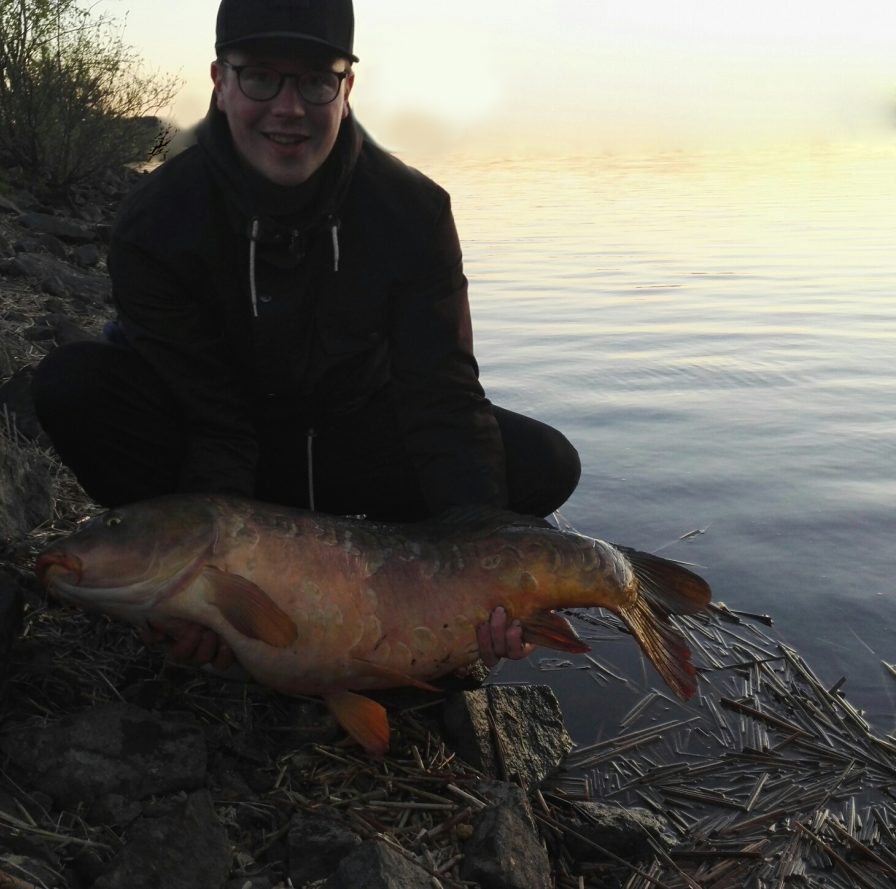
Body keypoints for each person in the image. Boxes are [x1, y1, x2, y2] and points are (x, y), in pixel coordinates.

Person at [31, 0, 581, 672]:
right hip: (224, 452)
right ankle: (165, 581)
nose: (289, 108)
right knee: (74, 385)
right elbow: (210, 415)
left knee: (544, 462)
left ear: (347, 88)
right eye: (262, 76)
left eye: (316, 80)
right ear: (220, 81)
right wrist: (213, 583)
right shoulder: (157, 219)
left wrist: (478, 565)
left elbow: (442, 399)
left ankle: (409, 601)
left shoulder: (414, 210)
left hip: (351, 445)